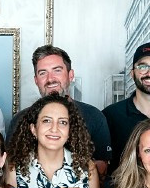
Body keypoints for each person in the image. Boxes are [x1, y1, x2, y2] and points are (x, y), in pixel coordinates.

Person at [15, 45, 112, 173]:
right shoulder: (19, 120)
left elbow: (101, 166)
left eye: (57, 70)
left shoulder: (94, 116)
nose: (50, 79)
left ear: (70, 75)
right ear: (36, 80)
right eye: (43, 73)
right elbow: (12, 168)